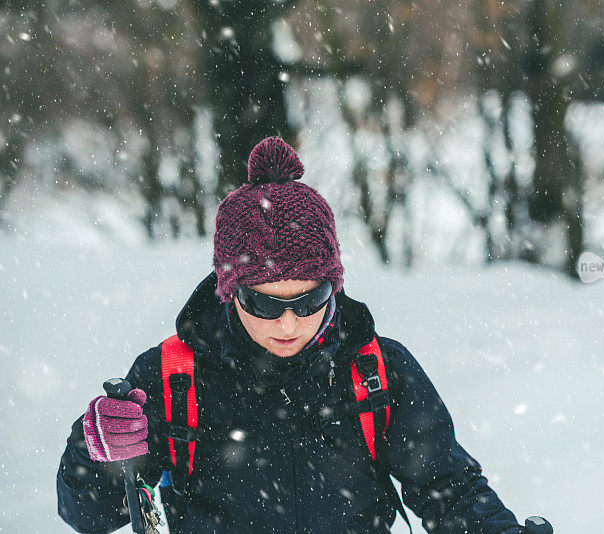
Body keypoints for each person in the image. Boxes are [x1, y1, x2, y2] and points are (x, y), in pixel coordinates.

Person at [57, 137, 539, 533]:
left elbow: (448, 490)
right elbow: (90, 514)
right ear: (231, 292)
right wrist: (95, 450)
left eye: (309, 300)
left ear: (335, 286)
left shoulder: (374, 371)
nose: (288, 324)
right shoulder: (170, 377)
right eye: (265, 303)